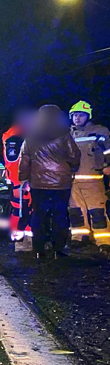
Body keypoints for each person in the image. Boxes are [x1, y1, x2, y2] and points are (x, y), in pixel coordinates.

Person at [18, 105, 81, 261]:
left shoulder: (31, 136)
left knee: (38, 215)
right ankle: (58, 250)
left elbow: (24, 161)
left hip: (38, 183)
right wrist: (70, 170)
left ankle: (38, 250)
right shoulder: (65, 134)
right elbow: (75, 156)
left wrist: (24, 179)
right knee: (60, 215)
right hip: (62, 183)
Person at [67, 100, 110, 255]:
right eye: (75, 115)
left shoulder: (100, 132)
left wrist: (108, 166)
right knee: (76, 212)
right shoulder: (67, 134)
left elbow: (108, 151)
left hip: (94, 179)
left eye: (81, 115)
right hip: (73, 181)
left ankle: (103, 241)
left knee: (97, 211)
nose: (77, 118)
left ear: (88, 116)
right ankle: (79, 237)